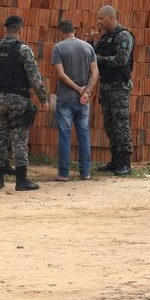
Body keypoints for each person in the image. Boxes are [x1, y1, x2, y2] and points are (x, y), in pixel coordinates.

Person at [0, 15, 48, 191]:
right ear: (20, 30)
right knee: (19, 139)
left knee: (0, 138)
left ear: (5, 29)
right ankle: (21, 180)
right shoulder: (22, 49)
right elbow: (34, 77)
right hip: (18, 99)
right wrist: (43, 98)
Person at [51, 19, 99, 181]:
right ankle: (85, 172)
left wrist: (78, 89)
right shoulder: (88, 47)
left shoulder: (58, 48)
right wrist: (86, 91)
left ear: (61, 32)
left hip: (65, 98)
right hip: (83, 100)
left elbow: (61, 75)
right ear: (74, 30)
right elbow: (95, 73)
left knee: (65, 135)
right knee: (84, 135)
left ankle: (64, 173)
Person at [92, 5, 135, 176]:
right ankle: (115, 160)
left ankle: (125, 162)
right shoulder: (105, 38)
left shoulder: (123, 36)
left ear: (111, 17)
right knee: (109, 125)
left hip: (119, 86)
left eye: (101, 18)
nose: (99, 21)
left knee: (121, 124)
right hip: (106, 85)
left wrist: (99, 59)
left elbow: (121, 59)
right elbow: (93, 54)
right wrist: (90, 45)